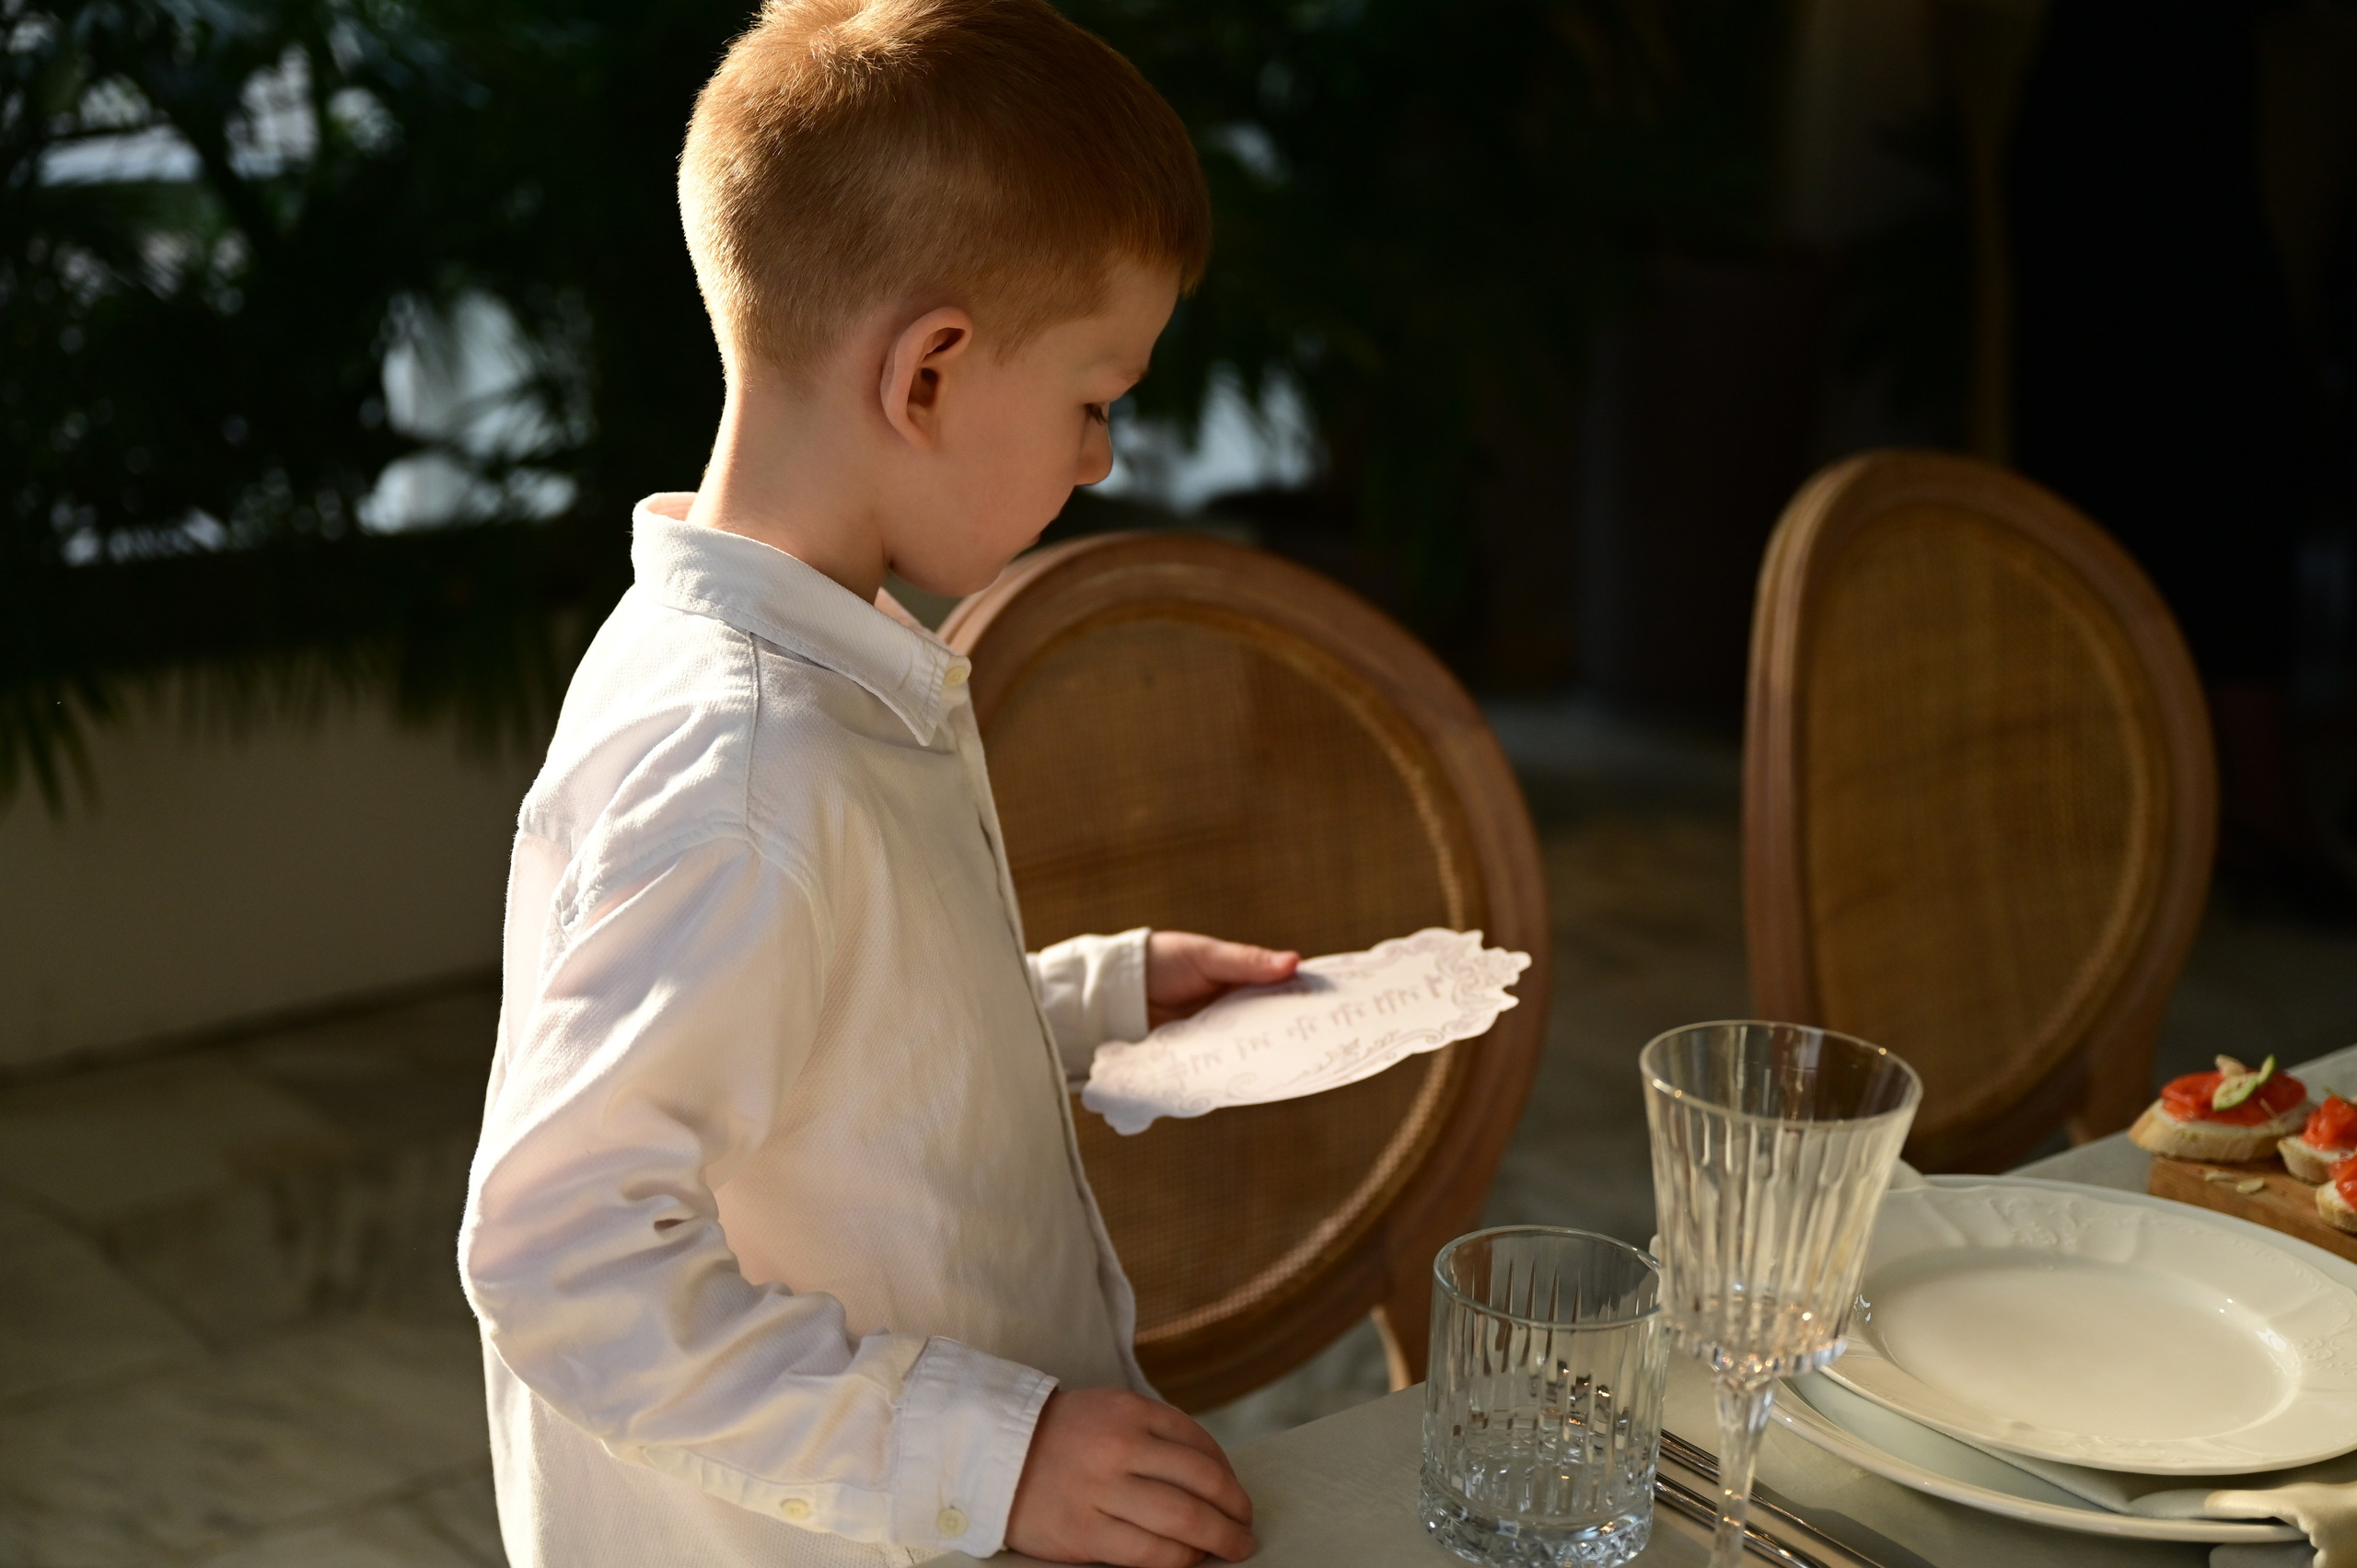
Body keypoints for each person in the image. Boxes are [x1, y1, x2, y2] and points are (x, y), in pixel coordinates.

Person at [458, 3, 1293, 1563]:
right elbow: (562, 1251)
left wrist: (1091, 1005)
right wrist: (993, 1453)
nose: (1103, 459)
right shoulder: (747, 765)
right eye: (1095, 400)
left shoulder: (799, 669)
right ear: (928, 378)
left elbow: (833, 1049)